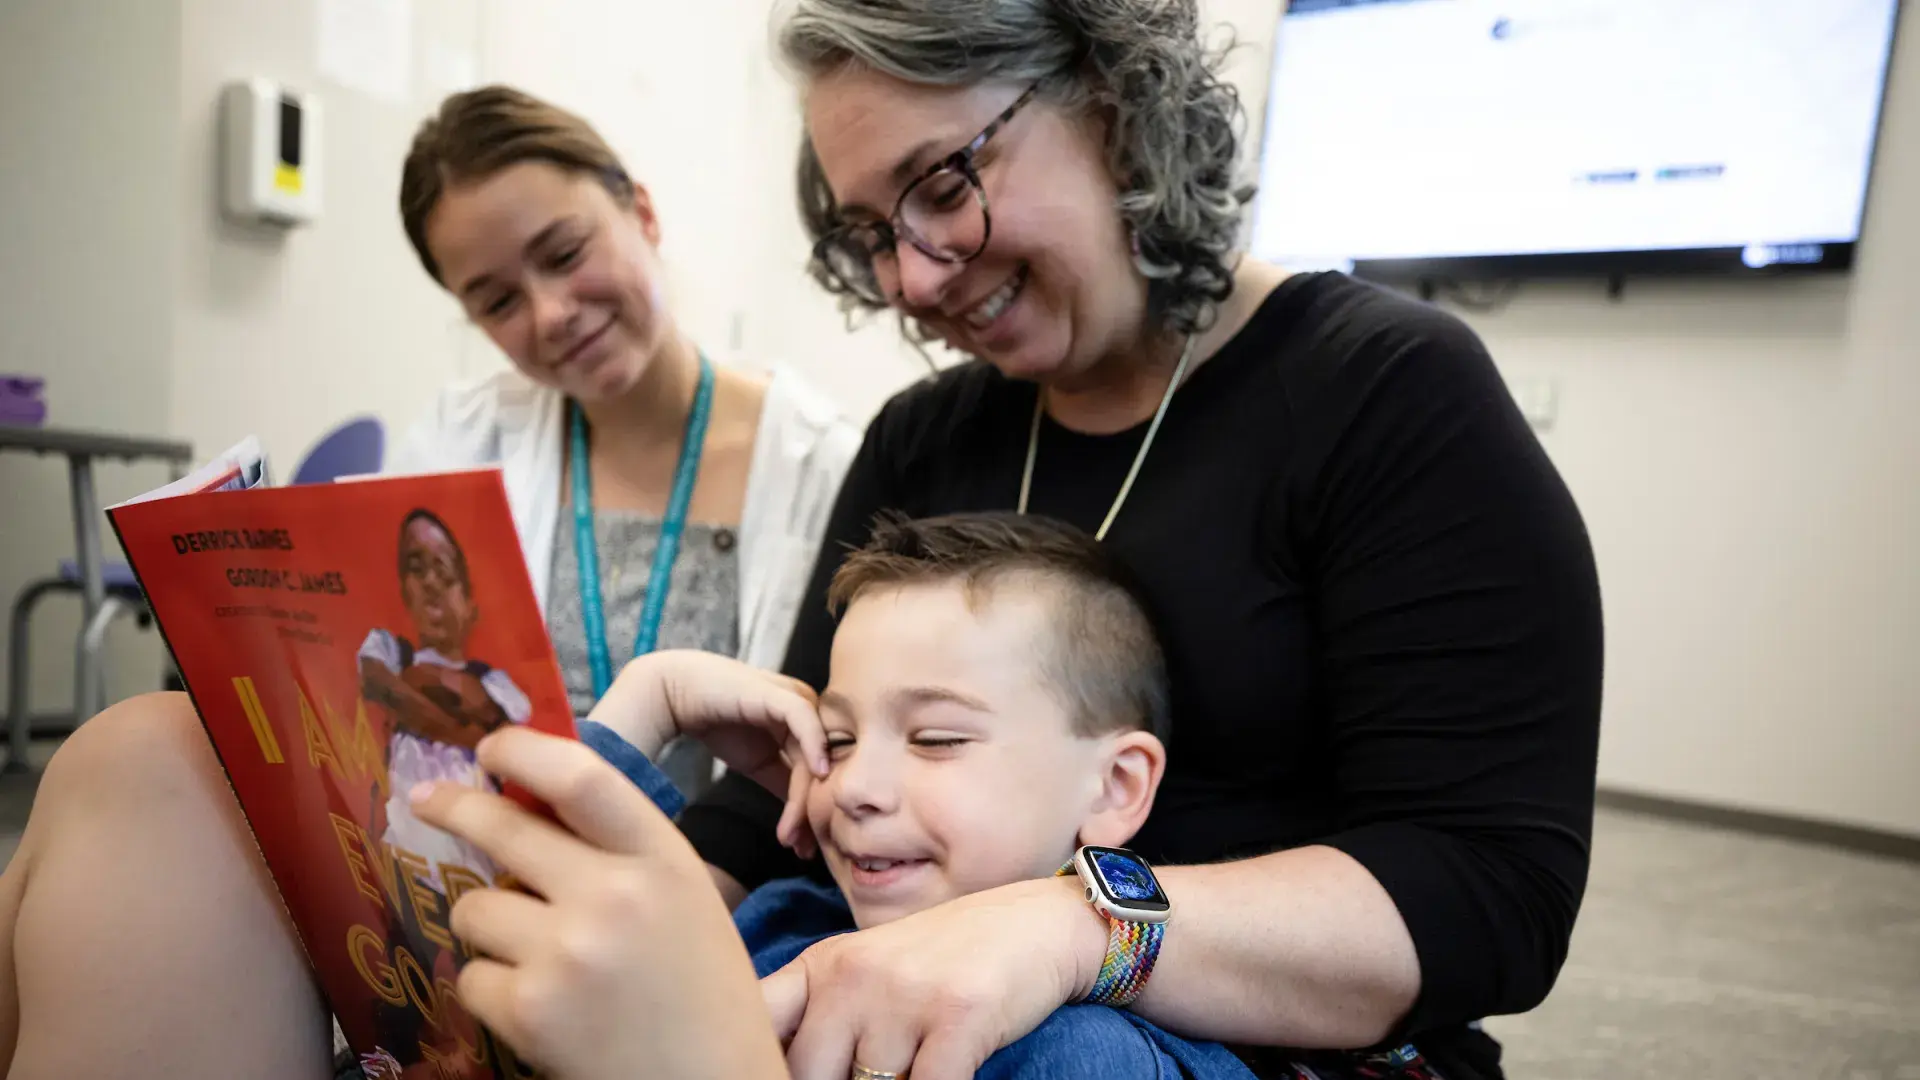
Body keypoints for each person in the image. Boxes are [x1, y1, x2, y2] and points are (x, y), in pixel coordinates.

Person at [671, 1, 1605, 1078]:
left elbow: (1488, 895)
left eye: (943, 187)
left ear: (1116, 106)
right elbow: (777, 796)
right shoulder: (921, 442)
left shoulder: (1387, 397)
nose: (914, 282)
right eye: (874, 234)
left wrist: (1077, 929)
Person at [417, 511, 1266, 1079]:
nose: (853, 785)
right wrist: (651, 702)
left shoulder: (1086, 1054)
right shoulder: (776, 922)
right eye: (839, 737)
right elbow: (477, 984)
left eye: (937, 738)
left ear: (1114, 786)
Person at [393, 84, 859, 791]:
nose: (551, 314)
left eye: (564, 254)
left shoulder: (817, 463)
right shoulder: (454, 448)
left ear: (642, 211)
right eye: (499, 301)